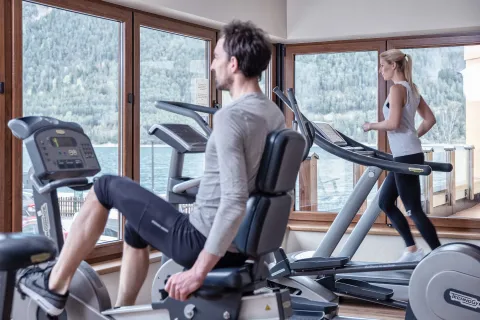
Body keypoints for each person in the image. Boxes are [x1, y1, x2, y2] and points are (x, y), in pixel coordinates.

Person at [17, 20, 286, 316]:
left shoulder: (230, 117)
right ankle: (121, 311)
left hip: (199, 240)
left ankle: (53, 287)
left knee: (105, 186)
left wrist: (196, 272)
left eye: (217, 57)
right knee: (136, 226)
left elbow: (234, 202)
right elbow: (251, 180)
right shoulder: (272, 114)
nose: (212, 66)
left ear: (233, 64)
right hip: (240, 247)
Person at [363, 48, 441, 263]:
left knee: (413, 209)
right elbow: (430, 120)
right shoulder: (412, 89)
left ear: (393, 66)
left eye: (382, 66)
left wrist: (370, 125)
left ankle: (439, 255)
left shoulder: (397, 89)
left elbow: (393, 123)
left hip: (406, 156)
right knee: (385, 202)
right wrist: (413, 135)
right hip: (408, 153)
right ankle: (413, 249)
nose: (380, 71)